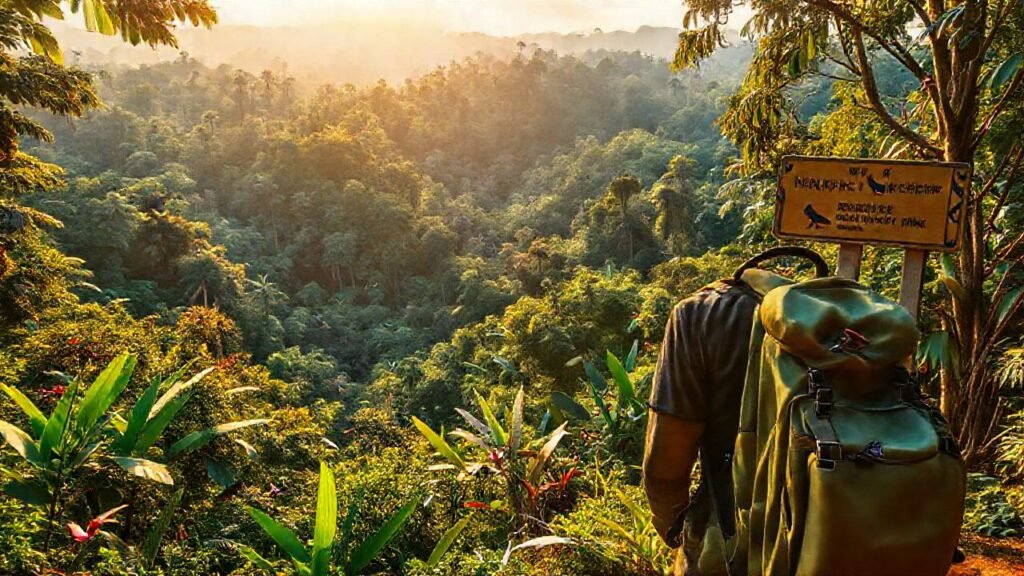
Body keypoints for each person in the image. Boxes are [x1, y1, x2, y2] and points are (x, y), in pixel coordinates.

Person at [643, 279, 758, 576]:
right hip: (856, 529)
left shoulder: (699, 314)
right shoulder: (858, 321)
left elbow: (666, 467)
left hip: (736, 542)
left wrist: (676, 532)